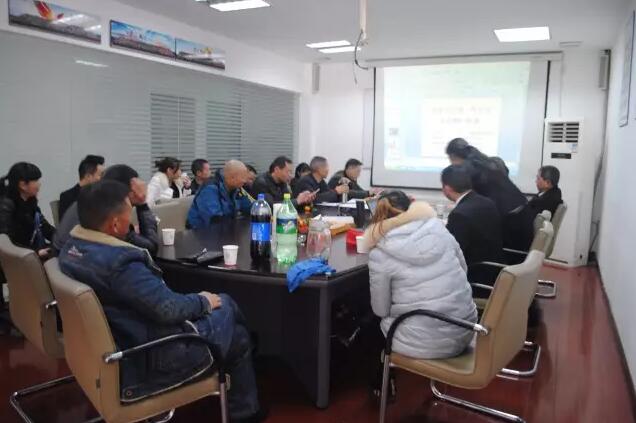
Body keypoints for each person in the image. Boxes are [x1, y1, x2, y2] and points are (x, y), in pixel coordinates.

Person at [58, 180, 264, 422]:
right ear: (114, 224)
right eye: (127, 215)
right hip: (150, 358)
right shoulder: (120, 264)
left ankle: (246, 401)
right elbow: (168, 309)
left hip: (111, 352)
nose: (130, 220)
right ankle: (247, 399)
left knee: (237, 336)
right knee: (226, 303)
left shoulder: (72, 248)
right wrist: (204, 301)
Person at [362, 190, 477, 392]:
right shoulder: (439, 229)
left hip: (427, 342)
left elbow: (381, 310)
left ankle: (382, 386)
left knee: (370, 323)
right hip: (464, 328)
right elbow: (463, 269)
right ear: (411, 207)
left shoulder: (380, 252)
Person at [446, 138, 533, 250]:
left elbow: (472, 202)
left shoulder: (470, 170)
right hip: (523, 217)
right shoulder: (489, 161)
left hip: (510, 229)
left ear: (453, 157)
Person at [53, 165, 159, 256]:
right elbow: (150, 248)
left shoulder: (87, 202)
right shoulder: (111, 212)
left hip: (69, 261)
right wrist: (142, 203)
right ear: (130, 191)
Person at [442, 165, 503, 284]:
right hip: (494, 269)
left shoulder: (459, 214)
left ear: (447, 188)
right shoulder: (486, 201)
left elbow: (452, 253)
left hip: (475, 275)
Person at [0, 162, 55, 257]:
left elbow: (45, 227)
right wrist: (36, 252)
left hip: (31, 252)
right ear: (23, 185)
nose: (39, 184)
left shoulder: (31, 202)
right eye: (36, 180)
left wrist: (63, 240)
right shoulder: (6, 206)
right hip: (16, 257)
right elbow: (6, 243)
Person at [187, 160, 253, 229]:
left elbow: (249, 208)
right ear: (232, 177)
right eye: (243, 177)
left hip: (225, 229)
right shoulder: (210, 190)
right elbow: (215, 220)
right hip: (200, 231)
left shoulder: (236, 188)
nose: (245, 181)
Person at [251, 156, 316, 207]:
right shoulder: (261, 183)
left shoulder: (282, 182)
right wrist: (297, 201)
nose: (290, 175)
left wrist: (304, 200)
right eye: (288, 172)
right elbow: (270, 206)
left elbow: (289, 201)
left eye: (291, 172)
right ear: (276, 169)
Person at [58, 155, 105, 220]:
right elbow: (66, 224)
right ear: (88, 176)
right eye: (101, 175)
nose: (104, 178)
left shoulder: (103, 196)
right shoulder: (67, 197)